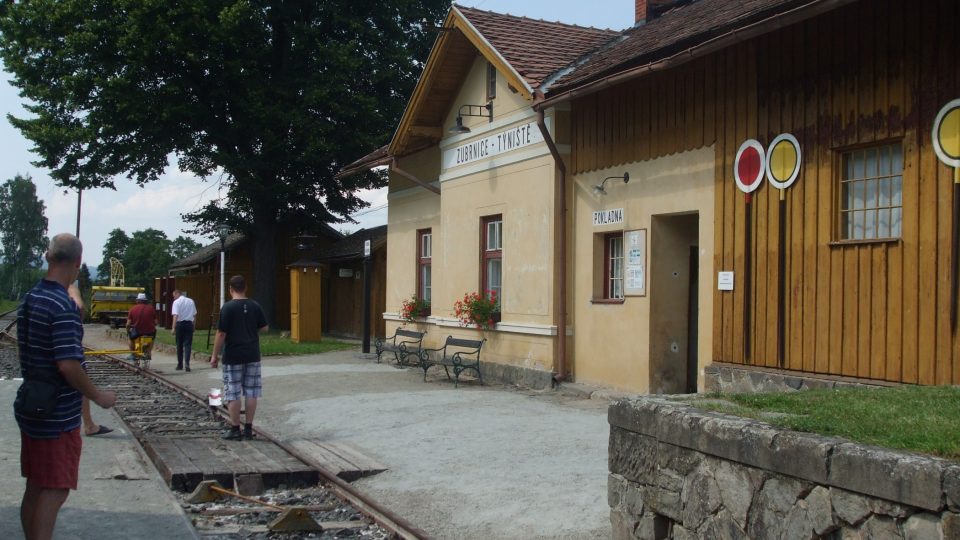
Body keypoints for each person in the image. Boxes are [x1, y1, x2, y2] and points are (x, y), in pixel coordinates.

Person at [16, 233, 118, 540]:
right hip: (56, 415)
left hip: (32, 403)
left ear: (48, 257)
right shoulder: (62, 306)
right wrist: (98, 396)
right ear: (77, 263)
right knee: (55, 490)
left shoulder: (32, 296)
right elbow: (68, 364)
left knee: (35, 485)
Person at [210, 275, 268, 441]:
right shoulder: (255, 305)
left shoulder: (227, 308)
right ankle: (248, 429)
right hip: (252, 354)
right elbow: (265, 328)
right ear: (245, 287)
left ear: (230, 289)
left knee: (233, 392)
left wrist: (215, 355)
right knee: (252, 392)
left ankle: (235, 429)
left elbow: (221, 333)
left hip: (233, 355)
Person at [65, 284, 113, 437]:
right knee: (80, 382)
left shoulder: (38, 293)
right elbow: (79, 307)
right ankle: (89, 425)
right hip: (70, 344)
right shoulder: (69, 286)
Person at [125, 292, 157, 369]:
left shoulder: (133, 309)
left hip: (137, 333)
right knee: (152, 338)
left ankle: (133, 354)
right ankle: (148, 352)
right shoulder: (151, 308)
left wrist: (128, 330)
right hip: (149, 332)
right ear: (145, 301)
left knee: (130, 338)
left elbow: (128, 324)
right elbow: (155, 322)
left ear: (137, 300)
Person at [170, 289, 197, 371]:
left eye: (174, 295)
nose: (174, 297)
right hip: (189, 324)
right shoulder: (191, 301)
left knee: (179, 345)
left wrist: (173, 328)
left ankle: (180, 364)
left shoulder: (176, 302)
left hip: (180, 324)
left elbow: (175, 316)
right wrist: (194, 326)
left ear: (177, 293)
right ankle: (187, 364)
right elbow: (195, 315)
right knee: (188, 345)